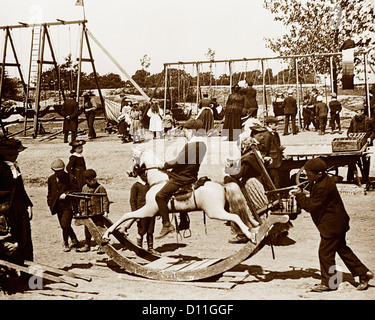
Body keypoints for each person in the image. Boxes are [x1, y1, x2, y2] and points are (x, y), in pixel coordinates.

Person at [291, 158, 374, 292]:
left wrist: (299, 196)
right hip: (337, 223)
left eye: (309, 173)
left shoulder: (323, 186)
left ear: (318, 173)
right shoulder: (322, 180)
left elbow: (311, 206)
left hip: (332, 226)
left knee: (325, 253)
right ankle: (363, 273)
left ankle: (329, 283)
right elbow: (315, 198)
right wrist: (302, 192)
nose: (306, 176)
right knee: (342, 249)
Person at [155, 119, 207, 239]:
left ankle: (166, 224)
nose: (185, 133)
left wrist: (164, 165)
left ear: (192, 132)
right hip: (192, 175)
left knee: (160, 196)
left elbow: (178, 161)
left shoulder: (192, 145)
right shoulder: (202, 144)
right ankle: (183, 220)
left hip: (182, 177)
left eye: (186, 131)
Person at [0, 135, 33, 265]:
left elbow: (20, 188)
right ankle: (11, 271)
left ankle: (27, 272)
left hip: (19, 207)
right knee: (10, 241)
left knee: (24, 238)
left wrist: (28, 204)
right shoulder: (2, 169)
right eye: (14, 154)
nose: (17, 156)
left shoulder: (14, 167)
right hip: (6, 209)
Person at [47, 159, 79, 252]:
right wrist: (49, 203)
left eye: (61, 171)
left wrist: (67, 193)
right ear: (53, 170)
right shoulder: (51, 179)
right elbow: (50, 192)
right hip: (56, 206)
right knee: (64, 225)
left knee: (65, 225)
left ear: (64, 169)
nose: (59, 173)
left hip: (68, 206)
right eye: (56, 171)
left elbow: (76, 190)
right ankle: (74, 239)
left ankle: (65, 242)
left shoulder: (70, 177)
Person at [78, 169, 110, 252]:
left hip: (98, 213)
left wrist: (105, 211)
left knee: (99, 229)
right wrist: (82, 210)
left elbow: (105, 200)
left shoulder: (100, 188)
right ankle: (87, 245)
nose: (92, 182)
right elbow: (82, 200)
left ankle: (102, 246)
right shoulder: (84, 188)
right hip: (88, 213)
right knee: (87, 229)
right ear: (85, 180)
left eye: (93, 179)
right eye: (89, 180)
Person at [346, 105, 375, 183]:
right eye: (355, 112)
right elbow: (349, 130)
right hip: (355, 143)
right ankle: (350, 178)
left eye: (357, 112)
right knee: (352, 159)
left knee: (365, 161)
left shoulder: (369, 120)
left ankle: (365, 178)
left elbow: (374, 131)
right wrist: (349, 135)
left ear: (362, 111)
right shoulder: (353, 120)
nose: (356, 114)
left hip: (366, 143)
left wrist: (370, 138)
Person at [130, 170, 157, 254]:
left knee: (150, 230)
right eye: (144, 174)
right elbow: (132, 201)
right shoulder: (136, 186)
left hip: (151, 211)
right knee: (141, 230)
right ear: (140, 175)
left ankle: (150, 248)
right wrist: (135, 214)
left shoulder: (150, 185)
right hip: (141, 212)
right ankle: (139, 248)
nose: (146, 176)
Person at [265, 116, 285, 189]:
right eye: (275, 124)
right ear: (269, 124)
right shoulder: (267, 134)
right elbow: (266, 148)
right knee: (274, 178)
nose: (277, 126)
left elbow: (277, 145)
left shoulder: (275, 134)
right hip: (272, 162)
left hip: (277, 160)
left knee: (279, 177)